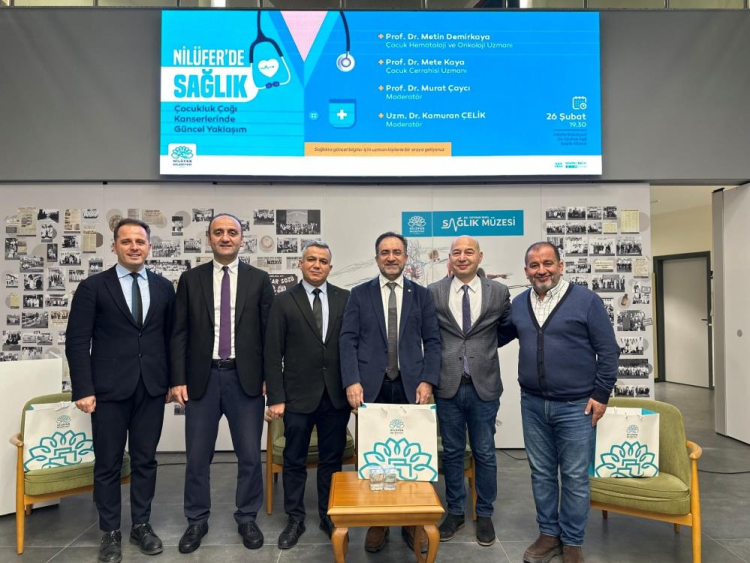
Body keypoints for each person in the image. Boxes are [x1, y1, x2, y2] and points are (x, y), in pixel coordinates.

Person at [66, 218, 175, 563]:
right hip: (108, 391)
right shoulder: (93, 287)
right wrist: (83, 389)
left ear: (149, 247)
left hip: (151, 388)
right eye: (126, 241)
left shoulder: (163, 287)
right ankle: (110, 531)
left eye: (140, 241)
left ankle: (141, 525)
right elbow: (77, 341)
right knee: (108, 463)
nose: (133, 247)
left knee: (146, 460)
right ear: (114, 246)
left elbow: (172, 339)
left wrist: (172, 381)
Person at [170, 213, 274, 554]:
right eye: (219, 232)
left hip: (245, 380)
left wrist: (269, 379)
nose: (225, 237)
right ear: (209, 238)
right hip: (202, 379)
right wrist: (178, 379)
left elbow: (269, 336)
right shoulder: (191, 279)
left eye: (232, 232)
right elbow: (179, 333)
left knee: (250, 455)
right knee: (197, 457)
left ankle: (247, 518)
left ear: (242, 239)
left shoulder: (259, 279)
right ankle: (196, 520)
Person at [512, 242, 619, 563]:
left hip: (576, 406)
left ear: (560, 266)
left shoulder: (586, 301)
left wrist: (601, 394)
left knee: (574, 476)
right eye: (534, 265)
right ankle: (549, 534)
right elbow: (494, 335)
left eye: (547, 263)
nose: (541, 270)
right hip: (532, 404)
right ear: (526, 271)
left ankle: (572, 541)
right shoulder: (519, 304)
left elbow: (609, 350)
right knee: (541, 473)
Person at [339, 231, 441, 554]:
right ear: (377, 258)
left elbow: (433, 341)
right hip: (371, 386)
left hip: (412, 387)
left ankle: (412, 521)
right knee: (375, 456)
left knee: (411, 454)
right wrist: (351, 380)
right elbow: (347, 340)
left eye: (397, 252)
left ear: (406, 257)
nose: (391, 257)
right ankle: (378, 521)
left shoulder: (421, 295)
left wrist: (428, 380)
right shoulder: (359, 294)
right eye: (385, 252)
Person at [427, 236, 513, 547]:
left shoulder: (498, 292)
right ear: (449, 258)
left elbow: (506, 329)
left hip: (484, 384)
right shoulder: (433, 292)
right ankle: (455, 512)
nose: (462, 257)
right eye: (456, 253)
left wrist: (483, 349)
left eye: (468, 252)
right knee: (452, 452)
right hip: (447, 384)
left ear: (479, 256)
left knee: (485, 452)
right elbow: (429, 333)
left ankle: (484, 513)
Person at [264, 241, 351, 549]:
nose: (317, 265)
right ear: (300, 264)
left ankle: (329, 514)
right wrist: (276, 397)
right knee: (294, 459)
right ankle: (295, 518)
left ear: (330, 267)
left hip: (335, 397)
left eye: (323, 261)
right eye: (311, 259)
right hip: (297, 397)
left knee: (331, 460)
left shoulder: (345, 298)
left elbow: (352, 346)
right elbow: (272, 352)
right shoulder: (283, 301)